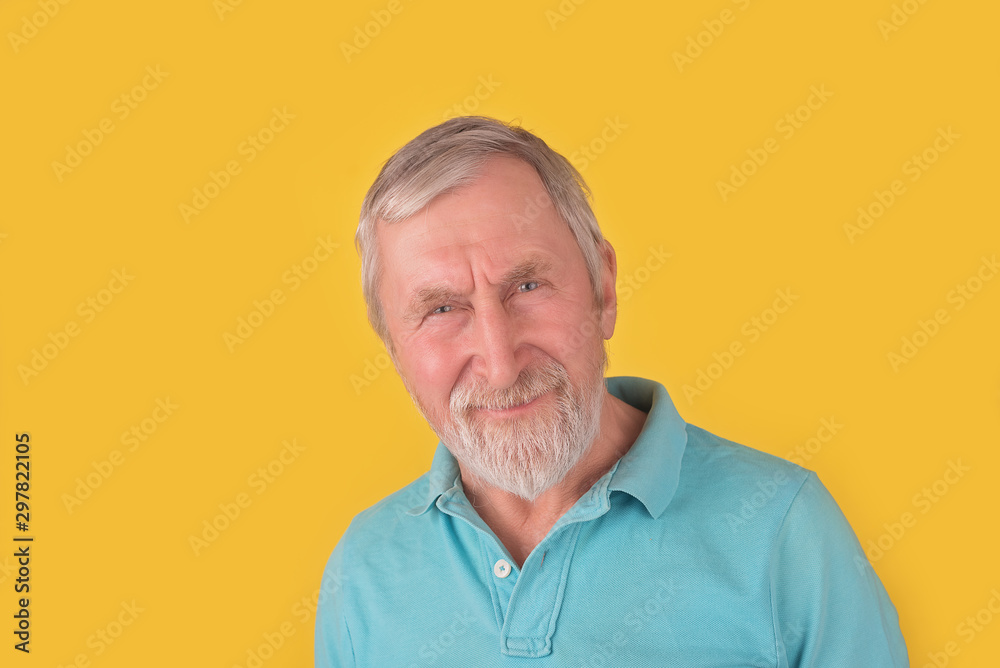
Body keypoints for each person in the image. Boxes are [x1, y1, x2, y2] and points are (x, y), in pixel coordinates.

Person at [316, 116, 908, 666]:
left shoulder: (784, 529)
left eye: (527, 284)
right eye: (442, 308)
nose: (500, 364)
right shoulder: (363, 571)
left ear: (603, 288)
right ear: (392, 345)